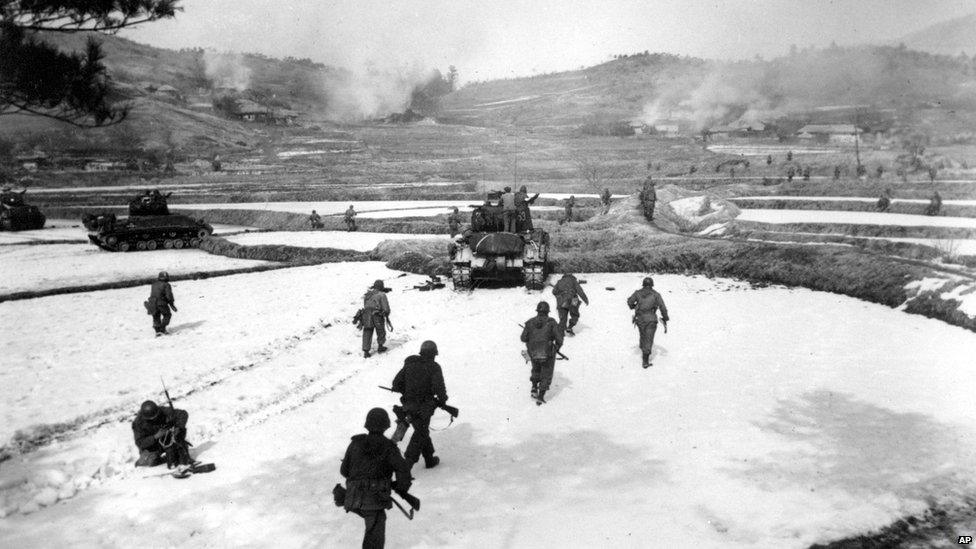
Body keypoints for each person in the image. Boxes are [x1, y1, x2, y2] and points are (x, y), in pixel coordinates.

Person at [340, 408, 412, 549]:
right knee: (375, 536)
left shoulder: (355, 443)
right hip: (373, 500)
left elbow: (344, 471)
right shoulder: (389, 447)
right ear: (386, 426)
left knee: (372, 527)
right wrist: (399, 488)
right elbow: (403, 471)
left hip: (352, 498)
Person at [391, 341, 448, 470]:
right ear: (434, 354)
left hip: (408, 405)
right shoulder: (434, 367)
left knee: (421, 430)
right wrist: (443, 400)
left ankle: (429, 459)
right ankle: (407, 464)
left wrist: (406, 389)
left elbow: (396, 384)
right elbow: (439, 387)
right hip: (424, 406)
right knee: (421, 433)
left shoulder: (409, 365)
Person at [520, 302, 564, 404]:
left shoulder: (530, 322)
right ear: (547, 311)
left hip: (533, 352)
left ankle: (534, 387)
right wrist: (556, 348)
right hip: (547, 352)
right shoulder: (551, 322)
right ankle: (540, 396)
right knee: (546, 373)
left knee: (536, 369)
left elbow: (523, 338)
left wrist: (531, 341)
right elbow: (559, 339)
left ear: (538, 311)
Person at [132, 400, 192, 467]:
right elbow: (140, 442)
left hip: (168, 439)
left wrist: (178, 427)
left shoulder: (162, 410)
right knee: (149, 461)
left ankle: (176, 453)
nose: (155, 419)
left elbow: (183, 414)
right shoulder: (138, 423)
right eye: (152, 418)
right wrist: (155, 436)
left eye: (156, 416)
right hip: (153, 446)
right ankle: (165, 458)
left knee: (180, 449)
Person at [627, 277, 670, 369]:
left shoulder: (637, 293)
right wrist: (665, 318)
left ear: (643, 284)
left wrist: (633, 306)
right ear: (652, 285)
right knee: (649, 338)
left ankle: (643, 349)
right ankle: (645, 361)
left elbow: (630, 302)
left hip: (640, 319)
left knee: (643, 334)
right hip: (651, 319)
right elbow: (662, 307)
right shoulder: (656, 294)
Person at [362, 280, 391, 358]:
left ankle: (366, 351)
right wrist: (386, 313)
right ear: (381, 286)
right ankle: (380, 347)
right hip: (377, 315)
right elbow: (386, 307)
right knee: (380, 331)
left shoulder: (367, 294)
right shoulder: (382, 295)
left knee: (367, 331)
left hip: (366, 315)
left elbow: (365, 305)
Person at [147, 271, 176, 336]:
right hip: (161, 303)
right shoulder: (166, 285)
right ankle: (162, 328)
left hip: (152, 303)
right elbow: (169, 296)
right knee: (167, 315)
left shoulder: (154, 284)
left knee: (156, 316)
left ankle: (157, 330)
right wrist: (171, 304)